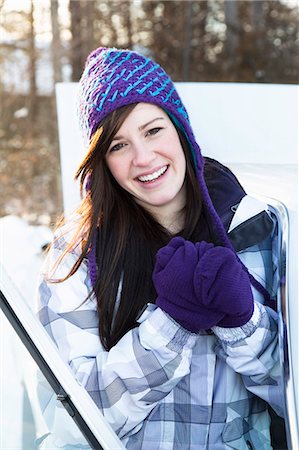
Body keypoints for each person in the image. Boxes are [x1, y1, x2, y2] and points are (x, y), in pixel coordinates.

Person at [36, 47, 285, 449]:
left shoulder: (260, 233)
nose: (143, 157)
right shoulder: (76, 256)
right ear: (103, 162)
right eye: (118, 145)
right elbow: (69, 420)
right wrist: (170, 325)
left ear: (181, 130)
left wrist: (245, 323)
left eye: (153, 130)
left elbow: (290, 395)